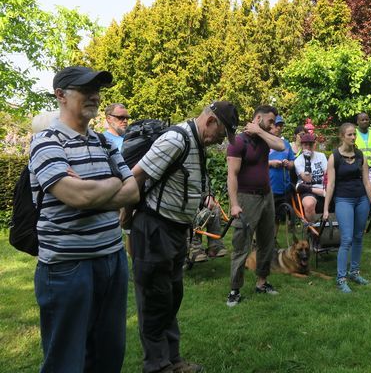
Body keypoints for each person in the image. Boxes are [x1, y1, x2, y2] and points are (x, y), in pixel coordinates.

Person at [29, 66, 139, 373]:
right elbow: (78, 196)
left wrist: (97, 190)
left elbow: (133, 193)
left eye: (97, 90)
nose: (94, 96)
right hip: (67, 268)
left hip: (112, 260)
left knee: (108, 355)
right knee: (66, 360)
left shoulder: (104, 142)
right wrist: (112, 183)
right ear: (61, 95)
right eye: (85, 89)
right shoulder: (46, 142)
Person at [130, 100, 238, 373]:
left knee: (171, 295)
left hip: (176, 230)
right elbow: (135, 176)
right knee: (155, 299)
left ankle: (173, 360)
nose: (219, 141)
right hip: (155, 228)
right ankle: (157, 365)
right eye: (221, 134)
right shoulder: (176, 139)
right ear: (211, 121)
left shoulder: (196, 144)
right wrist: (127, 225)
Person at [226, 105, 285, 307]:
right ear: (258, 117)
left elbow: (281, 146)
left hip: (266, 196)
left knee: (266, 242)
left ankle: (262, 282)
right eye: (270, 121)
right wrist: (234, 204)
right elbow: (231, 175)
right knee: (241, 244)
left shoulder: (263, 137)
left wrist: (260, 130)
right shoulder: (238, 141)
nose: (273, 125)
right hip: (245, 198)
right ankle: (235, 289)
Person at [324, 123, 371, 293]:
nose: (353, 137)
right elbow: (331, 184)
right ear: (342, 136)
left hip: (361, 199)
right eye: (350, 135)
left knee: (358, 237)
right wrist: (326, 208)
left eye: (354, 134)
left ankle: (354, 272)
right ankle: (341, 278)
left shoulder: (360, 155)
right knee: (346, 239)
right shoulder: (334, 157)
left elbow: (367, 182)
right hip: (343, 200)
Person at [268, 115, 296, 233]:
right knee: (266, 217)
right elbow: (256, 162)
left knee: (278, 217)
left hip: (283, 186)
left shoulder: (286, 144)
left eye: (281, 125)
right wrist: (271, 163)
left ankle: (273, 239)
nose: (279, 128)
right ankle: (256, 243)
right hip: (268, 186)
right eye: (276, 125)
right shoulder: (264, 143)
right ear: (270, 126)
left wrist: (288, 164)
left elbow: (293, 162)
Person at [294, 132, 327, 222]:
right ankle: (314, 231)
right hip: (307, 189)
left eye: (310, 144)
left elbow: (327, 174)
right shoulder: (298, 161)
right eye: (305, 145)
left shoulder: (321, 156)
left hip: (323, 188)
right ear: (301, 146)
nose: (308, 147)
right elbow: (307, 179)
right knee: (309, 204)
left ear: (314, 145)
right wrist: (307, 160)